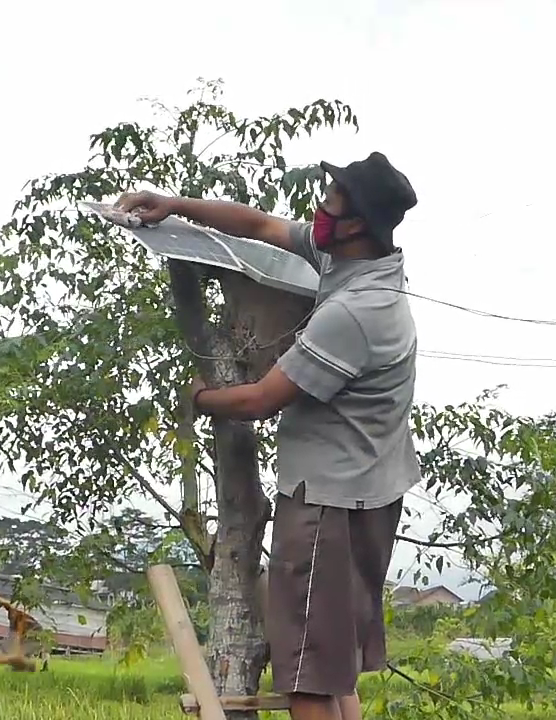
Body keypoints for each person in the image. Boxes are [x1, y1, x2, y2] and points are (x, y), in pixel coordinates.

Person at [116, 151, 421, 720]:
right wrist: (176, 205)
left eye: (331, 202)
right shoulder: (360, 263)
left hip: (328, 500)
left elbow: (260, 400)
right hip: (371, 486)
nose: (318, 209)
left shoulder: (355, 312)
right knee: (332, 663)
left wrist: (196, 397)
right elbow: (261, 225)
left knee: (303, 671)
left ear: (356, 224)